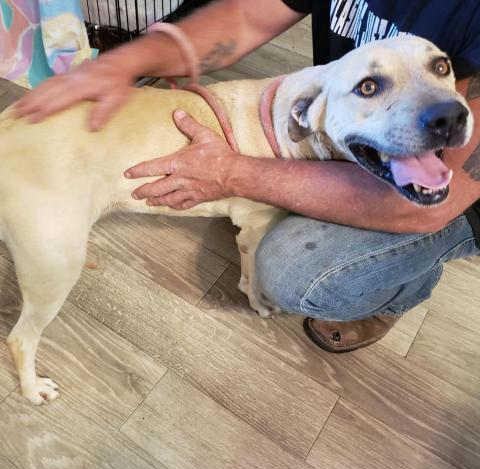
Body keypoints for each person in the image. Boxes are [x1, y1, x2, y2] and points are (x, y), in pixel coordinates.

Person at [14, 0, 480, 352]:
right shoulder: (310, 107)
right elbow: (247, 16)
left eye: (438, 69)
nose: (438, 100)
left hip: (462, 193)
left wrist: (233, 173)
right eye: (370, 85)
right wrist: (124, 62)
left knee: (298, 269)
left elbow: (433, 198)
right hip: (371, 135)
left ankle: (395, 294)